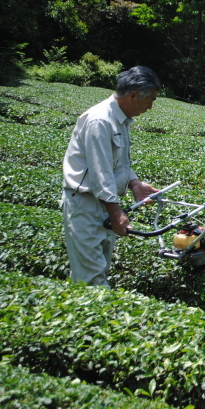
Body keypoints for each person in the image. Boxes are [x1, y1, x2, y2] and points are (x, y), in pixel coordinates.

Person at [61, 66, 161, 287]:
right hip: (86, 205)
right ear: (133, 95)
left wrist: (134, 183)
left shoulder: (120, 119)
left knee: (98, 271)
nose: (150, 107)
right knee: (91, 280)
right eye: (149, 100)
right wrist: (115, 212)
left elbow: (117, 161)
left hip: (103, 204)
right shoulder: (100, 120)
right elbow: (100, 172)